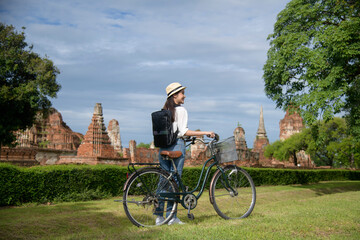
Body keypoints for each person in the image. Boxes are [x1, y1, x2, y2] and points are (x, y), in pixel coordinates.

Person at [155, 82, 215, 226]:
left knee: (163, 180)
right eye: (182, 93)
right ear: (175, 95)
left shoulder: (164, 111)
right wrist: (205, 132)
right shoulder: (181, 110)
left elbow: (174, 131)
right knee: (174, 181)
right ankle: (172, 217)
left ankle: (159, 217)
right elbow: (183, 132)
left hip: (163, 147)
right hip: (177, 146)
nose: (184, 95)